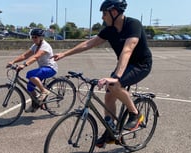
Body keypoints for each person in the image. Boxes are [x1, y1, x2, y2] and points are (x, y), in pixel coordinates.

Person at [51, 0, 152, 147]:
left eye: (104, 13)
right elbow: (88, 43)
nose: (102, 17)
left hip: (141, 65)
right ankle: (110, 132)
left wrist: (116, 77)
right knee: (108, 95)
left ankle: (135, 114)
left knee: (115, 85)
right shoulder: (109, 30)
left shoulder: (133, 24)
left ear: (114, 12)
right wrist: (65, 54)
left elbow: (127, 50)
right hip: (124, 65)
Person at [7, 29, 58, 113]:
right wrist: (13, 61)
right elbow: (25, 55)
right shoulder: (35, 46)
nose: (33, 39)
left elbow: (36, 57)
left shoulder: (45, 46)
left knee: (30, 74)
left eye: (35, 37)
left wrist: (24, 65)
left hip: (50, 68)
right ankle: (35, 104)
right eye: (32, 37)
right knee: (30, 86)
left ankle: (44, 91)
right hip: (42, 68)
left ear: (41, 37)